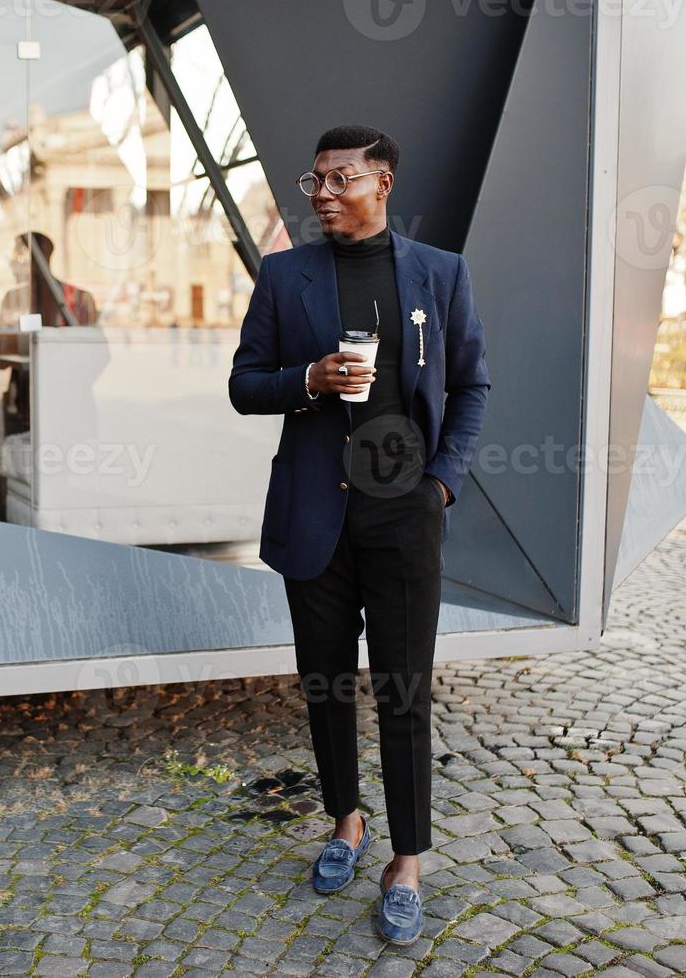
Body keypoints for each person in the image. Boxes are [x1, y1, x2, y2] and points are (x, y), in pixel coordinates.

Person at [227, 125, 490, 944]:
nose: (325, 194)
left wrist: (440, 484)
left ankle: (405, 862)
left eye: (340, 179)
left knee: (403, 691)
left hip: (403, 515)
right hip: (315, 510)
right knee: (326, 683)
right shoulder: (282, 275)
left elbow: (473, 384)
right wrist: (306, 379)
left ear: (382, 181)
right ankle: (345, 822)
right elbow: (242, 385)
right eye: (315, 182)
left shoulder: (438, 274)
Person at [0, 231, 98, 437]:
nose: (11, 265)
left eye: (17, 257)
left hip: (67, 404)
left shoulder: (78, 300)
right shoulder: (14, 300)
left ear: (34, 259)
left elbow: (95, 357)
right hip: (27, 403)